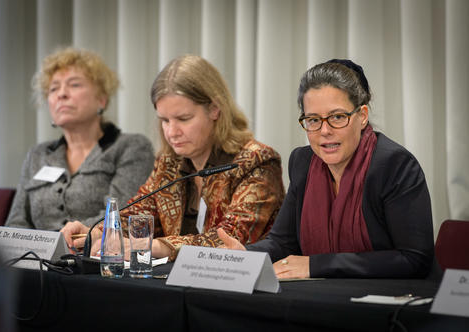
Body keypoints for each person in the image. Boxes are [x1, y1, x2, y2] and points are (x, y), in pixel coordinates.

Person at [219, 59, 434, 278]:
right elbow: (282, 243)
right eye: (313, 120)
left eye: (337, 117)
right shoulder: (302, 162)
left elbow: (414, 259)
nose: (324, 131)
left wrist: (316, 265)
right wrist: (245, 254)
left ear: (362, 116)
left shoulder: (394, 165)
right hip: (318, 298)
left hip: (383, 302)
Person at [62, 54, 285, 260]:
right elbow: (137, 216)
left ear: (215, 109)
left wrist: (158, 246)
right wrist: (96, 232)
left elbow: (231, 240)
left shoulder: (256, 162)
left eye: (184, 118)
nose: (172, 132)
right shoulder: (169, 164)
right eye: (165, 120)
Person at [6, 47, 154, 231]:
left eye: (74, 84)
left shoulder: (131, 147)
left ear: (101, 99)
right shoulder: (38, 155)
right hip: (36, 258)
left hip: (97, 255)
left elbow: (123, 216)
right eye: (53, 89)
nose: (61, 94)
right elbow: (16, 222)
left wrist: (69, 239)